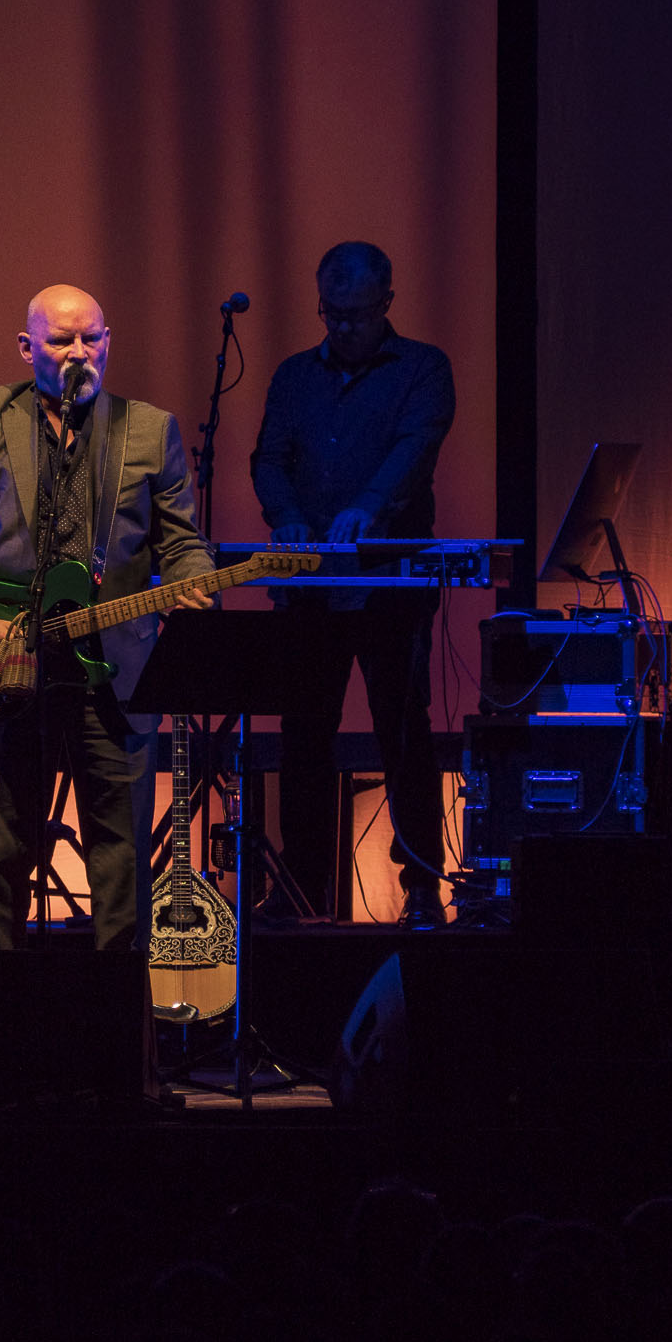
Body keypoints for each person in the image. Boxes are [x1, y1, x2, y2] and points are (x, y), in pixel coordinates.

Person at [0, 283, 215, 957]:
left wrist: (190, 585)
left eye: (92, 338)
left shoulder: (150, 429)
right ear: (26, 348)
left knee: (122, 868)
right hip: (9, 667)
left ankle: (118, 1038)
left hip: (117, 671)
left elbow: (182, 543)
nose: (79, 352)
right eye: (61, 339)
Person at [250, 240, 456, 929]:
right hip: (311, 588)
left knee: (405, 733)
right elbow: (269, 456)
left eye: (357, 316)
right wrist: (285, 518)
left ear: (386, 305)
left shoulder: (423, 368)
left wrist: (368, 505)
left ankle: (423, 885)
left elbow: (414, 449)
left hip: (388, 584)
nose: (342, 328)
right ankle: (304, 888)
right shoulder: (292, 376)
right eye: (331, 315)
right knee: (305, 735)